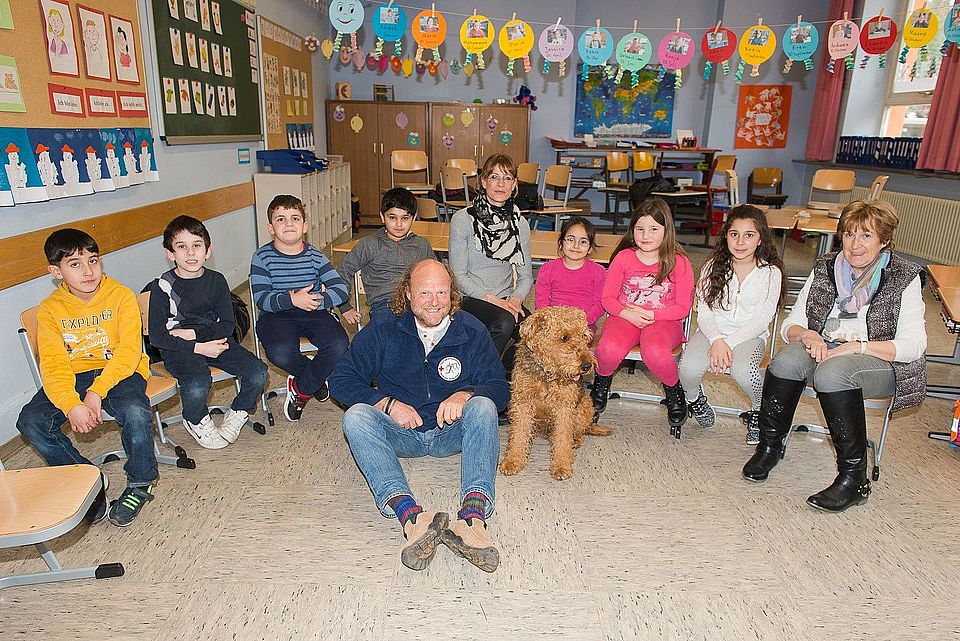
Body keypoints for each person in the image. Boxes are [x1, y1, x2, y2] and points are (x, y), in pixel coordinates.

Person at [742, 200, 927, 513]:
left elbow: (914, 345)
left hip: (882, 359)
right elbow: (791, 323)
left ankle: (854, 480)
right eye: (849, 234)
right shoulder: (826, 267)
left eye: (866, 236)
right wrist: (808, 335)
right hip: (826, 345)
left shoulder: (904, 276)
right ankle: (770, 446)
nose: (855, 245)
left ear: (884, 241)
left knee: (832, 373)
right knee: (786, 360)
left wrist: (858, 347)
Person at [330, 259, 509, 573]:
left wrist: (465, 395)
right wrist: (386, 404)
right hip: (404, 433)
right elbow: (341, 380)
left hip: (450, 431)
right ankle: (412, 517)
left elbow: (499, 388)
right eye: (425, 292)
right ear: (408, 293)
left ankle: (472, 518)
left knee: (483, 406)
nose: (435, 301)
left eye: (442, 292)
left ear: (452, 294)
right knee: (356, 416)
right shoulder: (384, 328)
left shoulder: (471, 330)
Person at [16, 229, 158, 527]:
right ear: (56, 272)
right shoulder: (50, 309)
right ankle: (87, 479)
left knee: (134, 410)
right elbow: (54, 365)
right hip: (73, 374)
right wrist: (72, 404)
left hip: (120, 370)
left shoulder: (120, 295)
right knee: (31, 421)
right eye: (75, 264)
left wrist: (95, 392)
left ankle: (140, 481)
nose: (88, 271)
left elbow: (129, 353)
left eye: (93, 260)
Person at [147, 216, 267, 449]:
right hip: (178, 348)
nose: (191, 253)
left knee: (258, 372)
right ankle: (195, 418)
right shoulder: (162, 286)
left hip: (214, 341)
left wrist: (193, 334)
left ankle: (239, 411)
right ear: (170, 254)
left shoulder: (217, 280)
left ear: (208, 251)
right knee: (198, 381)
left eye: (197, 245)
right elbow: (158, 337)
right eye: (182, 247)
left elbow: (228, 325)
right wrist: (197, 346)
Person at [678, 205, 784, 443]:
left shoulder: (771, 273)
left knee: (745, 372)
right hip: (711, 332)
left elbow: (761, 319)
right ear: (726, 235)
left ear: (760, 239)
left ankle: (759, 411)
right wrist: (717, 340)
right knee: (687, 368)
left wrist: (728, 344)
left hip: (749, 336)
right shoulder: (712, 266)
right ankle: (695, 399)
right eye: (734, 234)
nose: (740, 242)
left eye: (749, 235)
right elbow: (704, 312)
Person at [591, 198, 694, 427]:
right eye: (640, 229)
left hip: (664, 320)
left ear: (667, 230)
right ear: (632, 230)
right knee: (607, 349)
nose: (646, 236)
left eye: (654, 229)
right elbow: (607, 299)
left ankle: (674, 390)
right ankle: (602, 382)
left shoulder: (679, 262)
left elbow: (682, 308)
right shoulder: (624, 258)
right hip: (625, 316)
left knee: (655, 352)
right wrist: (627, 314)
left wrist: (652, 315)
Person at [250, 195, 349, 422]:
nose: (288, 223)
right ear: (271, 228)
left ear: (304, 226)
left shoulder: (316, 256)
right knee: (280, 352)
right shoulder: (262, 257)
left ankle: (302, 389)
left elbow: (341, 290)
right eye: (280, 219)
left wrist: (314, 300)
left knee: (339, 345)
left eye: (295, 218)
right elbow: (262, 299)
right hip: (276, 315)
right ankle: (315, 379)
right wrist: (292, 300)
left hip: (314, 310)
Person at [449, 153, 532, 370]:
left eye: (507, 178)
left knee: (534, 331)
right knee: (504, 322)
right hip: (470, 296)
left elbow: (526, 277)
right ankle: (481, 375)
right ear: (484, 181)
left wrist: (515, 300)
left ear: (514, 184)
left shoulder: (519, 223)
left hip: (506, 299)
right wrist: (495, 301)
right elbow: (458, 276)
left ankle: (503, 372)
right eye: (494, 177)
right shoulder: (463, 219)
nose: (501, 184)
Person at [337, 187, 435, 324]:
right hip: (384, 305)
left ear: (413, 218)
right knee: (398, 328)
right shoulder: (368, 244)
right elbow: (342, 273)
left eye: (405, 218)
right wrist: (344, 307)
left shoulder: (422, 245)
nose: (399, 224)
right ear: (382, 217)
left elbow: (436, 276)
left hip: (418, 302)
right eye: (392, 217)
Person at [534, 216, 606, 336]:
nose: (576, 246)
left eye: (583, 242)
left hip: (583, 325)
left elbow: (599, 305)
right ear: (561, 243)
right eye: (571, 240)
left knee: (571, 342)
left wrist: (582, 322)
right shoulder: (547, 268)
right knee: (539, 339)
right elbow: (541, 302)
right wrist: (551, 321)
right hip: (552, 323)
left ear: (590, 248)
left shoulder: (598, 271)